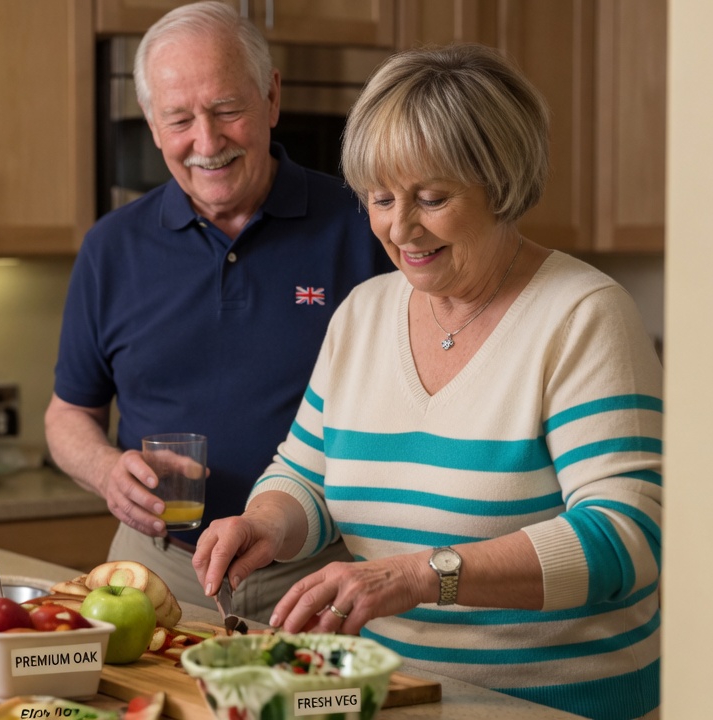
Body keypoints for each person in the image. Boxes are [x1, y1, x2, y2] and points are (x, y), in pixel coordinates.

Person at [192, 44, 662, 720]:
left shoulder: (583, 315)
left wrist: (420, 576)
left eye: (432, 198)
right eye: (380, 198)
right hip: (397, 697)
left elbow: (628, 538)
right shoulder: (364, 313)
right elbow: (307, 474)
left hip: (556, 706)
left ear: (499, 183)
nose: (400, 226)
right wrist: (266, 522)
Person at [45, 1, 392, 620]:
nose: (207, 142)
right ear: (152, 125)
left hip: (325, 571)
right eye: (179, 118)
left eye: (227, 109)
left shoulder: (366, 224)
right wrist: (105, 471)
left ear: (271, 97)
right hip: (157, 571)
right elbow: (69, 413)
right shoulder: (112, 247)